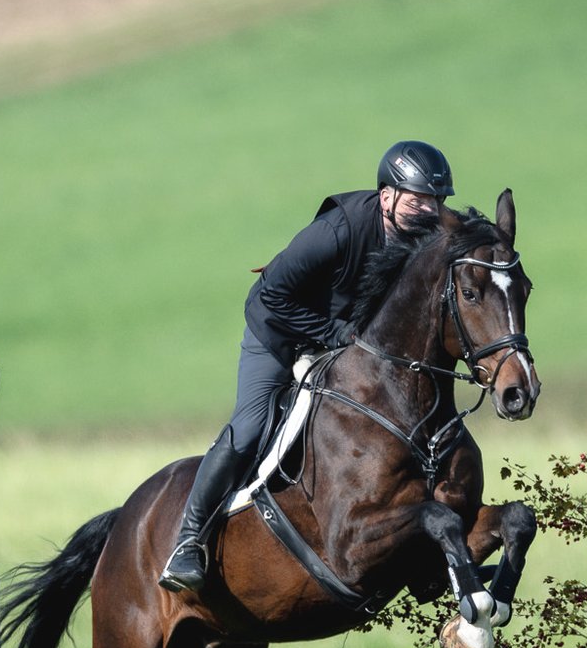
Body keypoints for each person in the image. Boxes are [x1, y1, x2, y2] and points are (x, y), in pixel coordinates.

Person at [157, 140, 456, 594]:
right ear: (387, 196)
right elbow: (271, 296)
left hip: (347, 344)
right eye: (417, 199)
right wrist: (333, 334)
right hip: (278, 332)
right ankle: (189, 539)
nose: (428, 210)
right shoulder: (337, 231)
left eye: (436, 201)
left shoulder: (425, 240)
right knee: (252, 426)